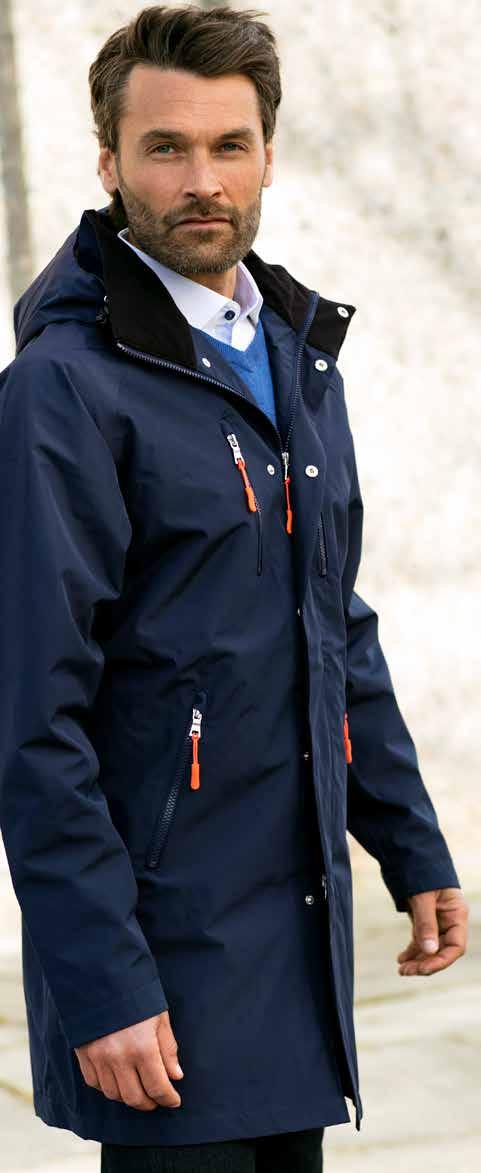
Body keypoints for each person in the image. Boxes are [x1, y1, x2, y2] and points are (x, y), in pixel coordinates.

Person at [0, 5, 469, 1172]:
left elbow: (333, 620)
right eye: (164, 147)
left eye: (228, 145)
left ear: (267, 154)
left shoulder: (293, 357)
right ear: (109, 163)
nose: (201, 180)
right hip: (160, 953)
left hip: (296, 931)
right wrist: (101, 982)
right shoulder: (64, 390)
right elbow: (31, 717)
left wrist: (409, 846)